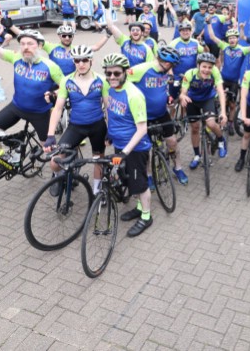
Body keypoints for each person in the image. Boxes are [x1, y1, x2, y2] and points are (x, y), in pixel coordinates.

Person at [101, 53, 154, 237]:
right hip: (120, 145)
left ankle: (146, 216)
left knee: (140, 184)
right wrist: (110, 132)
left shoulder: (134, 95)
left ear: (125, 72)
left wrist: (124, 152)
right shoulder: (111, 89)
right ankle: (139, 208)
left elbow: (142, 129)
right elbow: (112, 114)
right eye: (108, 73)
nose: (112, 77)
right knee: (130, 180)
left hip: (135, 148)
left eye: (116, 73)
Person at [43, 45, 108, 196]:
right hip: (76, 126)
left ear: (91, 61)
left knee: (98, 160)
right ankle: (58, 176)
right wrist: (50, 135)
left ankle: (97, 190)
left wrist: (111, 131)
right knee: (54, 161)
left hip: (97, 126)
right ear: (74, 62)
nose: (81, 64)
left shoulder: (102, 80)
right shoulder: (67, 81)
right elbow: (58, 109)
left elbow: (108, 108)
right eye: (77, 61)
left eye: (84, 60)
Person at [128, 46, 189, 186]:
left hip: (162, 113)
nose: (172, 68)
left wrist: (167, 97)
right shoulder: (140, 69)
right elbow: (120, 82)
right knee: (147, 150)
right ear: (167, 64)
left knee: (172, 142)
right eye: (172, 65)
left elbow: (161, 88)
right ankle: (149, 175)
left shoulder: (164, 72)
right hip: (143, 117)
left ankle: (178, 168)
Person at [180, 52, 228, 169]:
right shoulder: (189, 74)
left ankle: (221, 140)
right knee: (195, 128)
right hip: (193, 101)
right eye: (204, 66)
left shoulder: (215, 72)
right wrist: (182, 97)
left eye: (209, 67)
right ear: (198, 66)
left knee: (211, 123)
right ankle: (197, 155)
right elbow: (183, 92)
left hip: (207, 99)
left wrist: (223, 112)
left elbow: (221, 92)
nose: (207, 70)